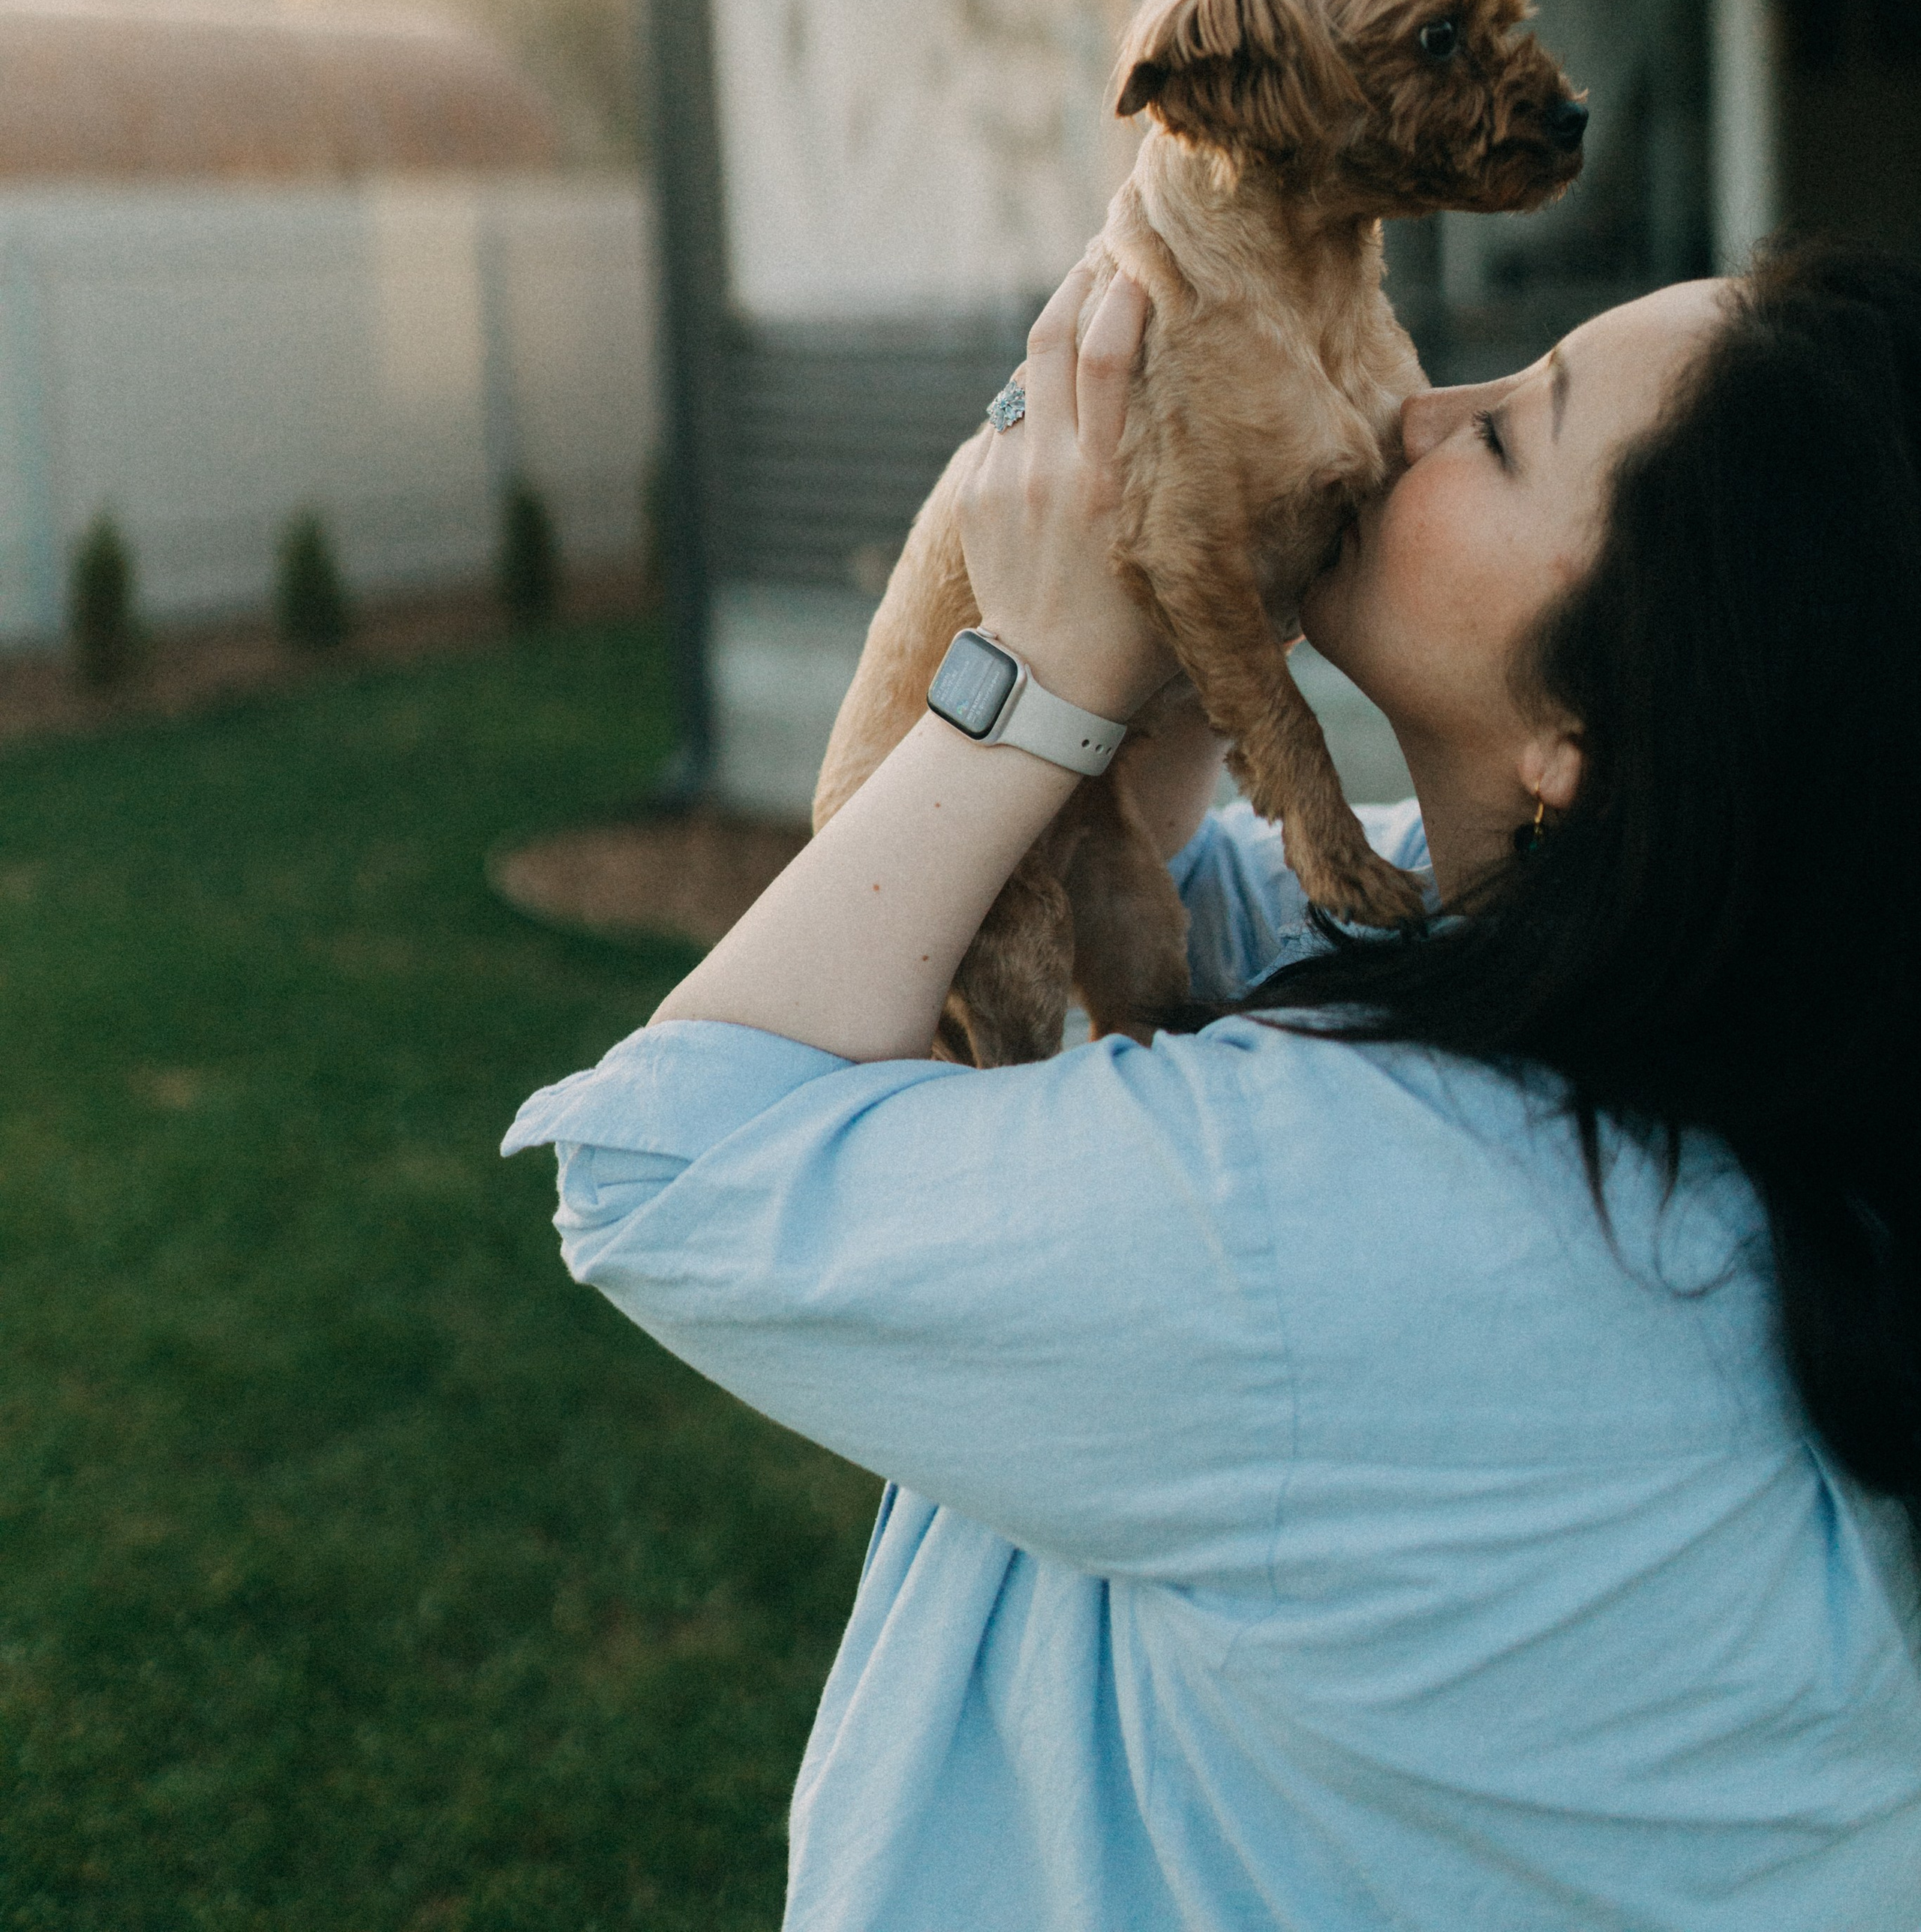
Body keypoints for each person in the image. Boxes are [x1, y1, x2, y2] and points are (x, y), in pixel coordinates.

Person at [504, 235, 1921, 1931]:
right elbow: (1194, 926)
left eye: (1506, 432)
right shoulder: (1741, 1035)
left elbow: (677, 1164)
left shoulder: (1351, 1224)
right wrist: (1182, 574)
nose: (1411, 408)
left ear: (1600, 722)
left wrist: (1026, 680)